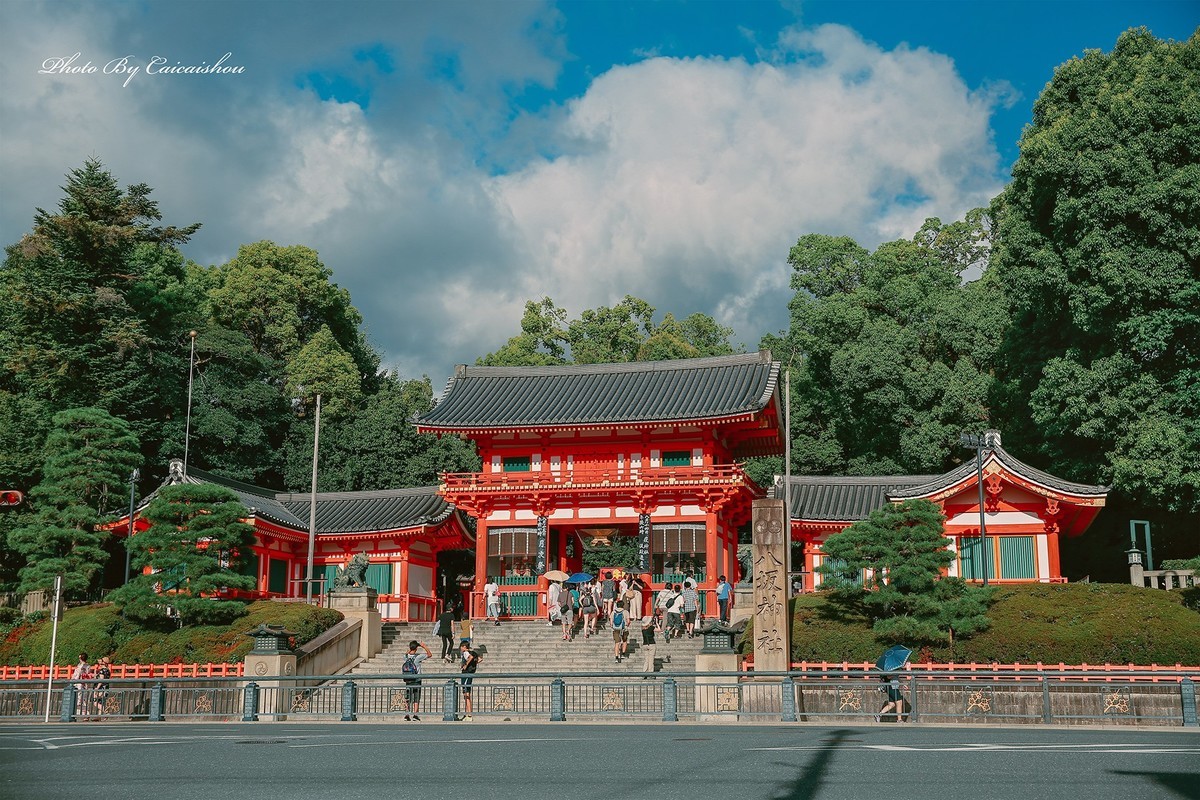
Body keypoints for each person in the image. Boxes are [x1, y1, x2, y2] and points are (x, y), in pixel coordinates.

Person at [401, 640, 432, 721]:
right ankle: (415, 715)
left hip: (408, 679)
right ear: (416, 648)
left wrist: (409, 650)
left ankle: (407, 715)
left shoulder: (406, 657)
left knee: (408, 697)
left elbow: (406, 653)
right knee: (416, 697)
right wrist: (424, 646)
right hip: (417, 679)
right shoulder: (418, 657)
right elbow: (429, 655)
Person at [458, 641, 480, 721]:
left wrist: (466, 665)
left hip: (466, 674)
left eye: (461, 646)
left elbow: (470, 657)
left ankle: (469, 714)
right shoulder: (472, 652)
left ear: (464, 646)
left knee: (466, 694)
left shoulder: (466, 653)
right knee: (467, 694)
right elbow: (480, 659)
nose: (460, 648)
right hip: (470, 674)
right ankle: (467, 713)